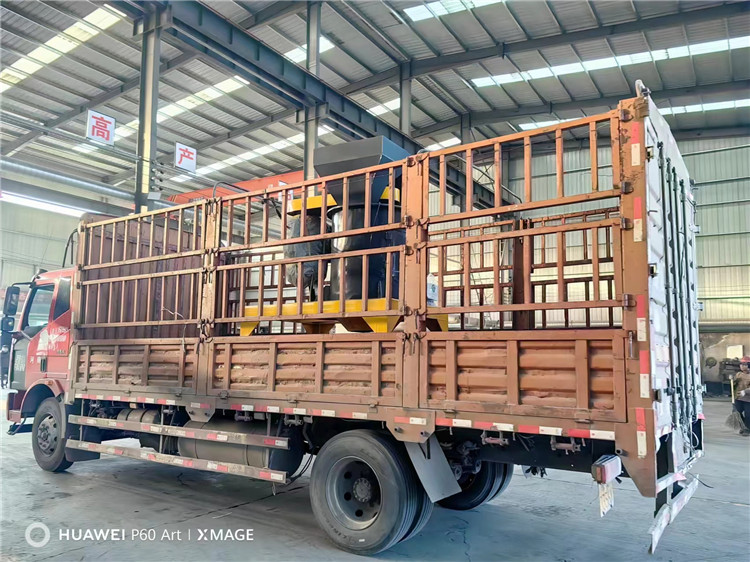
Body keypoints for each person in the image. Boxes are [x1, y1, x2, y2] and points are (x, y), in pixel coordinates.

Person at [731, 356, 750, 436]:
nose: (742, 366)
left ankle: (747, 429)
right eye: (741, 364)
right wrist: (733, 380)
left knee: (748, 414)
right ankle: (743, 427)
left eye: (744, 364)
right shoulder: (739, 374)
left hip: (748, 399)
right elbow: (735, 385)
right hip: (738, 398)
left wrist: (745, 391)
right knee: (737, 413)